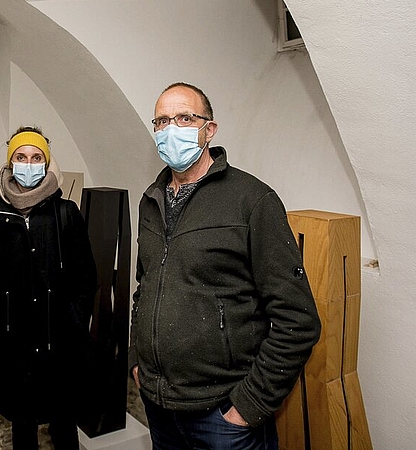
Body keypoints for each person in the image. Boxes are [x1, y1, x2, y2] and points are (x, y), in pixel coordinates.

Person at [129, 83, 321, 449]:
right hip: (160, 406)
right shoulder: (150, 201)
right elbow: (146, 287)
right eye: (162, 121)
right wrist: (137, 361)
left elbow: (297, 320)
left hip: (223, 417)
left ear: (209, 129)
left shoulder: (252, 200)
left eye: (185, 118)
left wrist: (248, 406)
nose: (172, 128)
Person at [0, 126, 97, 449]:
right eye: (21, 157)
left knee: (65, 430)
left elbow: (86, 279)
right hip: (14, 352)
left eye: (36, 157)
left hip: (61, 350)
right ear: (10, 164)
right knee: (23, 431)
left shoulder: (66, 214)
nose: (29, 163)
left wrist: (75, 322)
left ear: (47, 163)